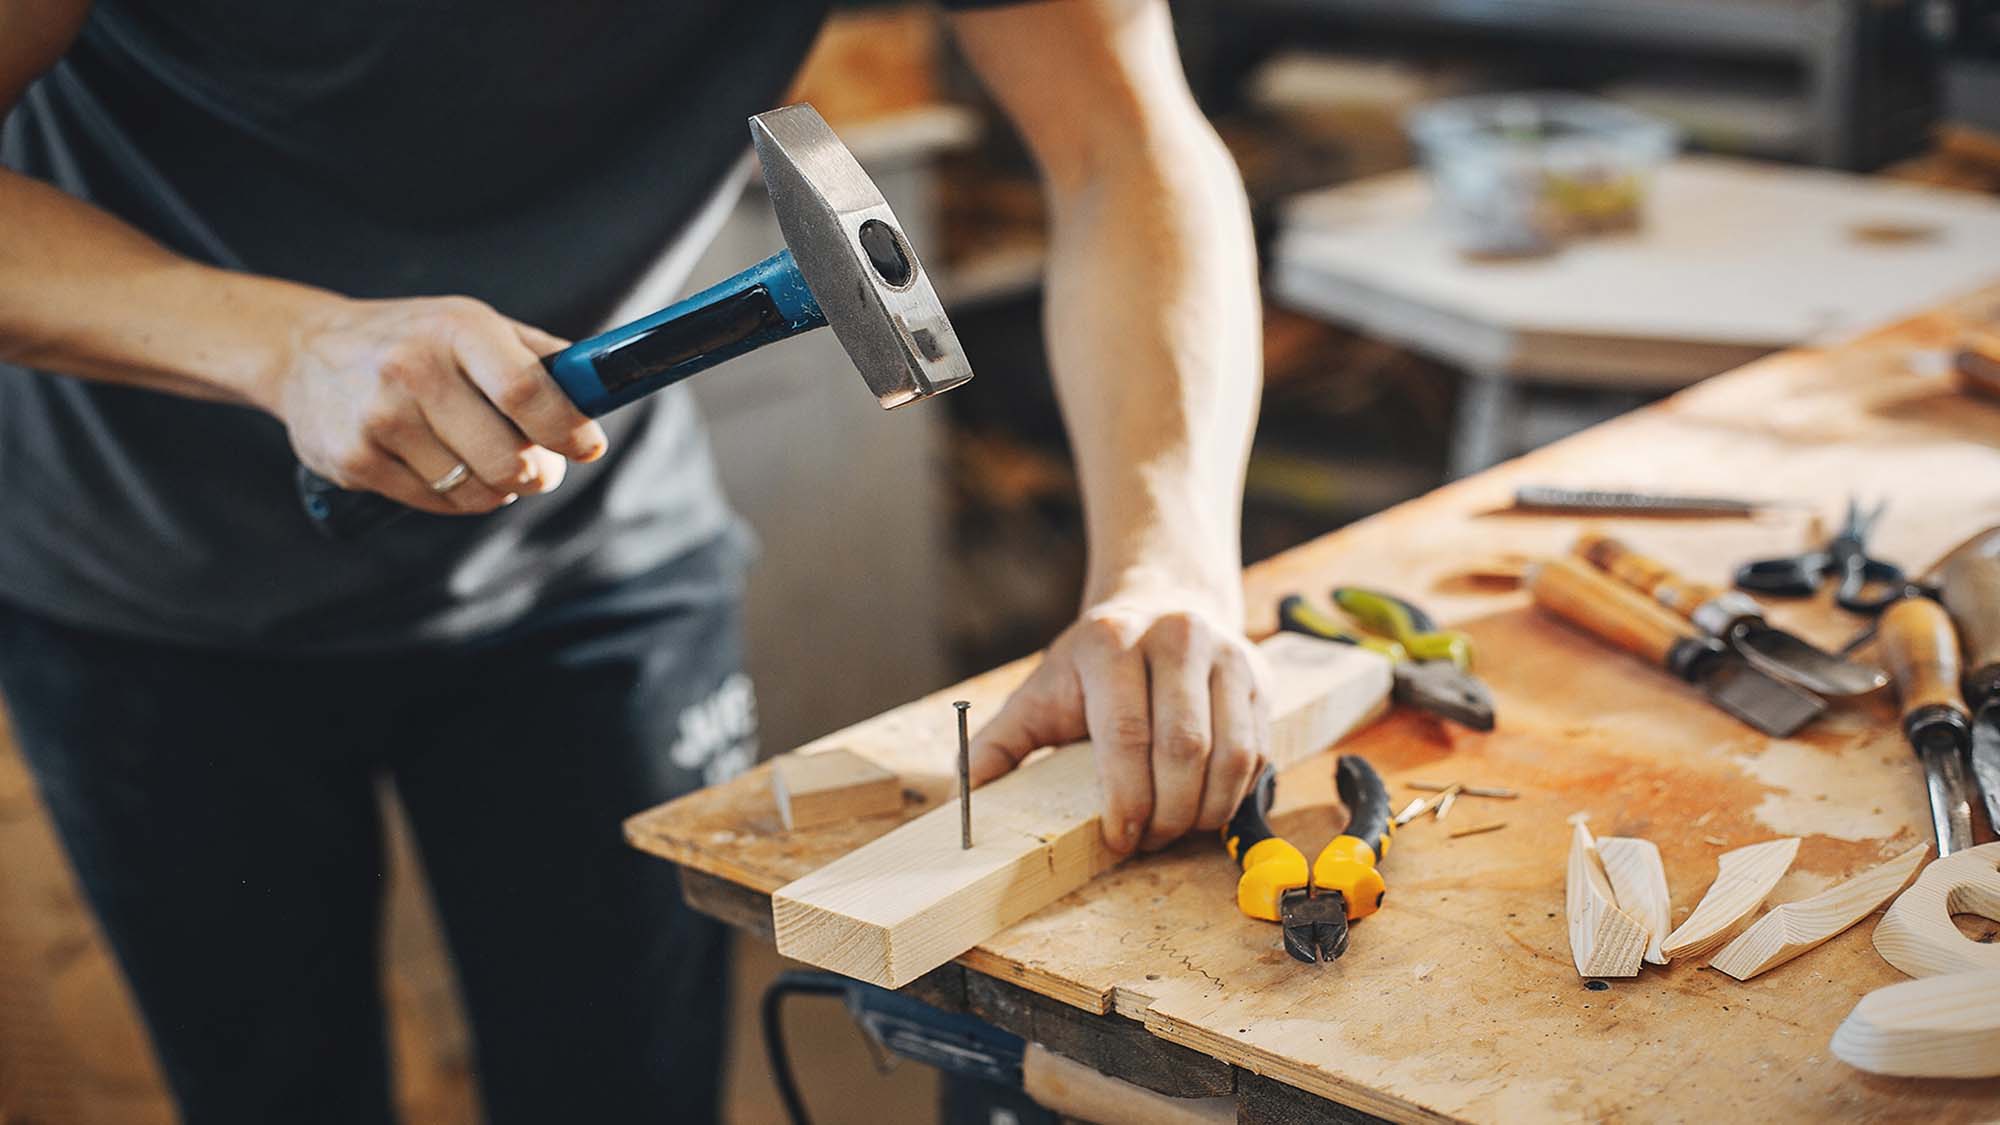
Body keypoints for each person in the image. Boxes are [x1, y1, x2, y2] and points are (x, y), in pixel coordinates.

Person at [0, 0, 1264, 1120]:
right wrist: (283, 348)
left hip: (594, 556)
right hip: (146, 575)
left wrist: (1167, 562)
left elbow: (1122, 136)